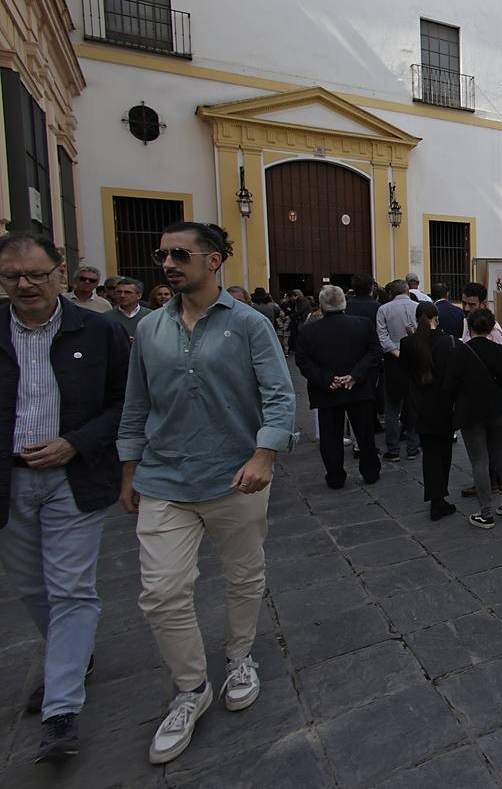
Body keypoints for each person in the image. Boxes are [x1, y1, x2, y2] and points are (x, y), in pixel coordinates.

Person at [117, 221, 295, 765]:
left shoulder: (247, 325)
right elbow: (136, 404)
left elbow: (278, 393)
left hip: (235, 476)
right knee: (163, 591)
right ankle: (191, 687)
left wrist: (264, 454)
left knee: (243, 574)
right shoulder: (149, 328)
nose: (167, 263)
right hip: (164, 479)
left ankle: (240, 656)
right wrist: (129, 471)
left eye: (180, 254)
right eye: (163, 254)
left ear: (214, 260)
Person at [0, 233, 129, 763]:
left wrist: (76, 442)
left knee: (72, 586)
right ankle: (70, 659)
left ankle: (61, 707)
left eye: (35, 274)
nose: (25, 284)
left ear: (60, 273)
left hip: (73, 476)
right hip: (10, 482)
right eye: (13, 276)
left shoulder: (97, 331)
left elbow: (126, 403)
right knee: (33, 587)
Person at [295, 286, 383, 490]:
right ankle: (370, 471)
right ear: (344, 303)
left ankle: (335, 476)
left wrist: (327, 379)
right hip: (357, 389)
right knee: (365, 434)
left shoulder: (309, 331)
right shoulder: (362, 324)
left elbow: (303, 361)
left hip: (328, 391)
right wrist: (355, 375)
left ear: (321, 306)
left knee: (330, 437)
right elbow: (374, 352)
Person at [400, 302, 462, 521]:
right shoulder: (448, 342)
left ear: (417, 319)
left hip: (420, 405)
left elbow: (405, 371)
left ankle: (435, 497)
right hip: (444, 405)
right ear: (436, 317)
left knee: (430, 455)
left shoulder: (408, 343)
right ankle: (440, 497)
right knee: (444, 453)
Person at [461, 308, 502, 528]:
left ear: (470, 326)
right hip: (498, 408)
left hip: (471, 411)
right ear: (491, 327)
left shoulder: (461, 351)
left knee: (479, 460)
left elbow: (452, 383)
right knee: (501, 454)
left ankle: (485, 512)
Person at [375, 280, 421, 462]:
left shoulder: (384, 309)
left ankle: (393, 449)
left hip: (393, 362)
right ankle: (412, 447)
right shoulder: (419, 307)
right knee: (413, 405)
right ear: (408, 291)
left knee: (392, 408)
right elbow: (424, 334)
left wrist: (397, 352)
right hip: (415, 361)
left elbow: (382, 337)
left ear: (391, 293)